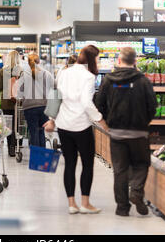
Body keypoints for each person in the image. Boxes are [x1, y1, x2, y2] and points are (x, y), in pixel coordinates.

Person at [43, 45, 109, 215]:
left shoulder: (64, 72)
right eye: (98, 58)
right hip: (81, 126)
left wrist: (52, 120)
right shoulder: (88, 77)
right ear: (92, 59)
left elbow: (55, 96)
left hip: (64, 125)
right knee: (87, 164)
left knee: (70, 164)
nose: (99, 61)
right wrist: (101, 120)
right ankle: (85, 203)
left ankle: (72, 203)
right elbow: (87, 103)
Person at [95, 47, 158, 217]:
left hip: (117, 133)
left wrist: (107, 122)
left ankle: (122, 208)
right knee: (141, 164)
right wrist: (144, 121)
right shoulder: (143, 81)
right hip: (139, 133)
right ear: (135, 62)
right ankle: (136, 192)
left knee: (120, 169)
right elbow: (153, 106)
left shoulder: (108, 80)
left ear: (119, 61)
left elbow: (98, 103)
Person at [18, 53, 54, 147]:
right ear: (39, 61)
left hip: (29, 108)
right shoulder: (47, 74)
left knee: (33, 132)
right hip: (44, 107)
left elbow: (19, 92)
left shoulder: (24, 75)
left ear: (28, 63)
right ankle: (42, 157)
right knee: (41, 131)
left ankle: (35, 158)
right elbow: (54, 89)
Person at [0, 50, 22, 157]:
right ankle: (18, 145)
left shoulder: (3, 70)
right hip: (18, 102)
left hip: (5, 102)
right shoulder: (21, 71)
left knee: (9, 126)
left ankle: (11, 148)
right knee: (17, 124)